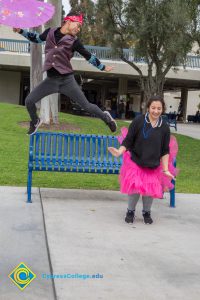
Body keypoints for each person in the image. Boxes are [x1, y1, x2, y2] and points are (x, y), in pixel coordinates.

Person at [13, 11, 117, 135]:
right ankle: (35, 121)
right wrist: (20, 31)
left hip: (67, 81)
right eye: (77, 25)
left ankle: (106, 118)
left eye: (80, 27)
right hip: (51, 81)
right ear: (68, 21)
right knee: (29, 101)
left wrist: (102, 67)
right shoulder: (50, 32)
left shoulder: (74, 42)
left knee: (86, 106)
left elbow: (88, 56)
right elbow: (36, 38)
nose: (78, 29)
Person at [108, 95, 178, 225]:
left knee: (149, 189)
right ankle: (130, 211)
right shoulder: (139, 121)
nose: (156, 111)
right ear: (148, 108)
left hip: (153, 165)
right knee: (135, 186)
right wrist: (119, 151)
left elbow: (164, 150)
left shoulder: (164, 127)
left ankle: (146, 212)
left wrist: (166, 169)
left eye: (159, 108)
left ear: (162, 109)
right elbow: (128, 140)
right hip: (136, 161)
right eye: (153, 108)